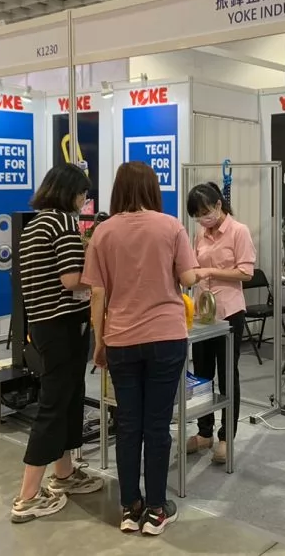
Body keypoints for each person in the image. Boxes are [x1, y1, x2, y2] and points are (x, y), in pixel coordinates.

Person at [84, 161, 201, 536]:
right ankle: (156, 509)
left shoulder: (103, 232)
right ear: (153, 189)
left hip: (120, 339)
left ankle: (129, 507)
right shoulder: (171, 226)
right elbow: (187, 277)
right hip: (166, 337)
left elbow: (97, 294)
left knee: (128, 425)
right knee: (157, 425)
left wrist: (99, 342)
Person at [11, 163, 104, 524]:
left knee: (66, 399)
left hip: (43, 324)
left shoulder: (36, 225)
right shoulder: (63, 223)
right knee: (54, 404)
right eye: (82, 194)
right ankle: (28, 496)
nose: (84, 201)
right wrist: (102, 279)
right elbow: (71, 280)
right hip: (62, 325)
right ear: (69, 192)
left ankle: (63, 473)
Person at [185, 182, 256, 464]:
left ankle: (227, 436)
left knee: (227, 374)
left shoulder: (239, 231)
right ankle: (204, 432)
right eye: (197, 216)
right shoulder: (200, 234)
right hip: (202, 314)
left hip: (228, 312)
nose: (203, 219)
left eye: (206, 212)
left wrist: (210, 271)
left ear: (218, 205)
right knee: (201, 374)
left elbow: (246, 273)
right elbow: (194, 266)